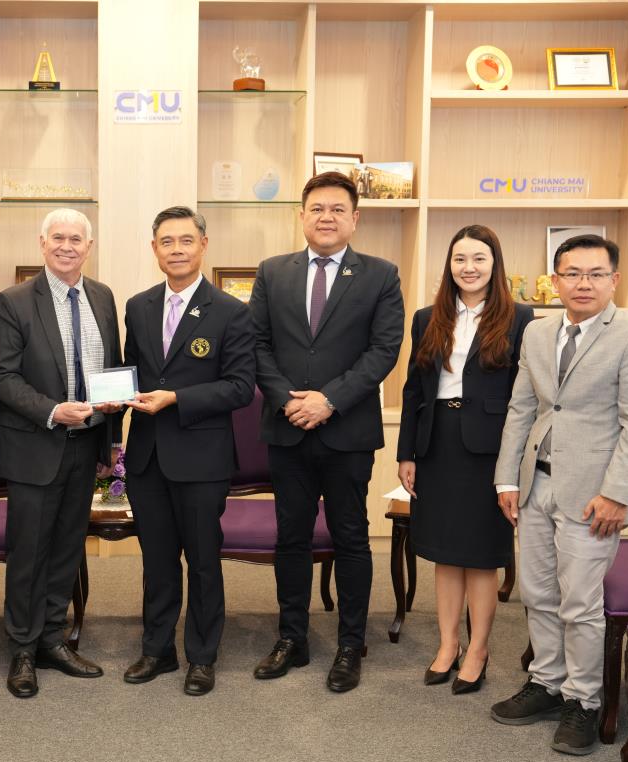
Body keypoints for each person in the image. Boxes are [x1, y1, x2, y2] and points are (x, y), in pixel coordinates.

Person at [491, 234, 628, 756]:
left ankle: (584, 700)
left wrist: (616, 494)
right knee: (538, 593)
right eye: (572, 273)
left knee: (581, 603)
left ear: (614, 279)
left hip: (594, 495)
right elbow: (522, 408)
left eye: (595, 274)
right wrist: (507, 479)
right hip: (536, 484)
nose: (583, 283)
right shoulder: (538, 332)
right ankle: (547, 682)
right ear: (555, 280)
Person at [248, 170, 404, 692]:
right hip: (288, 427)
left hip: (347, 431)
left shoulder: (380, 275)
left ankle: (350, 644)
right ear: (301, 216)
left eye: (338, 209)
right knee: (290, 537)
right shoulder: (273, 272)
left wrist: (329, 400)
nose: (327, 217)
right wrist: (288, 400)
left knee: (351, 537)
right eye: (317, 208)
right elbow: (256, 344)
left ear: (354, 219)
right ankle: (291, 638)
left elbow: (383, 350)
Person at [0, 208, 124, 699]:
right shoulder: (14, 302)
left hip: (86, 445)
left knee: (68, 547)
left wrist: (110, 432)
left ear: (89, 247)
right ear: (42, 244)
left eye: (76, 239)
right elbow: (2, 376)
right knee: (29, 551)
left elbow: (112, 367)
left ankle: (51, 638)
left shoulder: (103, 297)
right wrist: (51, 411)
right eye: (58, 238)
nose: (67, 246)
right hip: (36, 445)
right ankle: (22, 649)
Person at [121, 206, 255, 696]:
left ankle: (202, 655)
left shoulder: (231, 311)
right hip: (147, 457)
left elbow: (240, 387)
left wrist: (177, 397)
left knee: (202, 561)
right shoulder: (138, 306)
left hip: (201, 458)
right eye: (166, 242)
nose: (176, 250)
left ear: (203, 245)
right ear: (154, 248)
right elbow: (131, 373)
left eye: (185, 240)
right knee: (156, 561)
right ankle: (157, 650)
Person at [397, 225, 534, 694]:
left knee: (480, 554)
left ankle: (478, 649)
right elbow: (414, 389)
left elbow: (525, 395)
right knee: (444, 552)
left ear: (495, 264)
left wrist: (515, 462)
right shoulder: (426, 318)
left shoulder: (521, 318)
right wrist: (407, 452)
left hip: (491, 449)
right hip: (437, 443)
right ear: (449, 264)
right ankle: (448, 644)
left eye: (479, 258)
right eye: (460, 259)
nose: (468, 267)